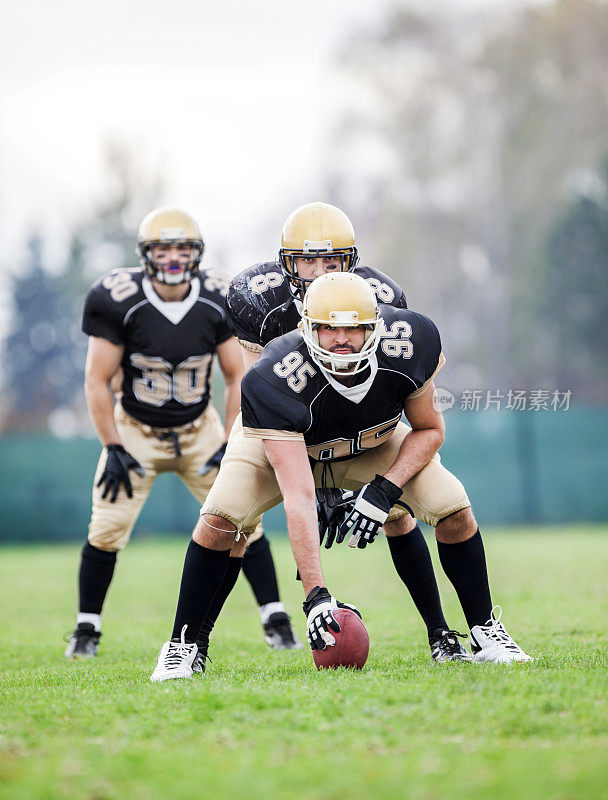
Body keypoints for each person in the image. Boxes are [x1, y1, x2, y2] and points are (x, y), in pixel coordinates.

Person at [150, 272, 531, 681]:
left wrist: (385, 490)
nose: (342, 338)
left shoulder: (409, 343)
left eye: (355, 327)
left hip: (374, 443)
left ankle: (485, 633)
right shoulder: (275, 373)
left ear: (376, 328)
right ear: (307, 327)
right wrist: (315, 595)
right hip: (289, 450)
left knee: (453, 508)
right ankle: (184, 645)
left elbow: (430, 430)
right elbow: (298, 493)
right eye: (329, 327)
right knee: (220, 519)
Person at [223, 202, 482, 662]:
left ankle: (441, 633)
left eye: (333, 261)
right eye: (308, 261)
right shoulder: (259, 303)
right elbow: (263, 406)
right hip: (284, 433)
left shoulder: (380, 298)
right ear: (287, 263)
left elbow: (394, 400)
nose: (321, 273)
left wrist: (380, 489)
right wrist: (314, 482)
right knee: (229, 518)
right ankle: (196, 639)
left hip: (363, 429)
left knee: (398, 513)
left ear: (351, 262)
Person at [64, 207, 300, 664]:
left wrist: (232, 437)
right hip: (135, 429)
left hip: (200, 430)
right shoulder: (118, 298)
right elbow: (96, 379)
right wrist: (112, 446)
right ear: (145, 254)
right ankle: (86, 628)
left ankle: (276, 620)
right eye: (163, 249)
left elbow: (238, 377)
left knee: (242, 521)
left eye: (182, 248)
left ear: (197, 253)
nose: (173, 258)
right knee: (106, 528)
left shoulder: (217, 295)